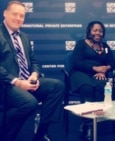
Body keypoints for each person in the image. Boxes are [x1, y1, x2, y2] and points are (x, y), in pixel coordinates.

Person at [0, 1, 65, 141]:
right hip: (6, 84)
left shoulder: (24, 37)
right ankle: (5, 132)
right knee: (29, 103)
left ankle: (41, 133)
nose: (18, 18)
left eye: (22, 16)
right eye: (15, 14)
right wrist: (18, 82)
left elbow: (33, 61)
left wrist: (34, 74)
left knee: (57, 86)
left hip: (26, 81)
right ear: (5, 13)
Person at [70, 21, 115, 140]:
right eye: (95, 30)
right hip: (81, 73)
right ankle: (87, 124)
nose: (98, 33)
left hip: (98, 75)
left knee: (102, 88)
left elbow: (113, 63)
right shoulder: (81, 44)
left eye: (100, 31)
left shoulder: (105, 47)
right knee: (87, 88)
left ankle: (95, 121)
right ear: (89, 31)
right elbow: (76, 63)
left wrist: (104, 70)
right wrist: (95, 68)